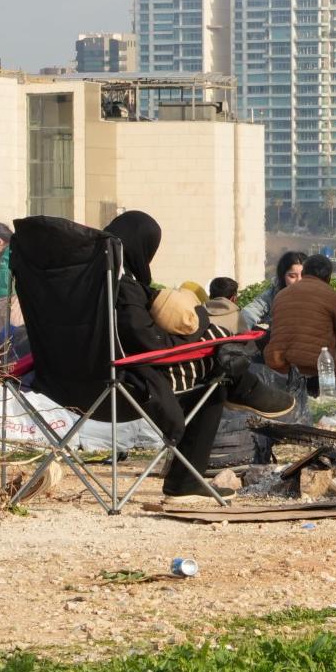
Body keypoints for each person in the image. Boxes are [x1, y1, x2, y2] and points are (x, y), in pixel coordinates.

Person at [103, 211, 235, 500]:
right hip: (123, 387)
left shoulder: (88, 284)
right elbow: (149, 342)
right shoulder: (123, 288)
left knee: (224, 368)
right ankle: (184, 483)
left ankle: (246, 386)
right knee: (216, 384)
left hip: (70, 385)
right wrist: (195, 328)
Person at [265, 254, 336, 385]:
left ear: (303, 273)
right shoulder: (330, 295)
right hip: (319, 369)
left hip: (280, 368)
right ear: (328, 278)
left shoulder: (280, 295)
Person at [0, 222, 29, 361]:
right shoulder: (4, 258)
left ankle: (14, 365)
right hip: (0, 301)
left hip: (11, 301)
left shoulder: (14, 252)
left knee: (14, 335)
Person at [240, 251, 308, 329]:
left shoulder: (317, 296)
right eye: (292, 276)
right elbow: (251, 312)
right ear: (282, 277)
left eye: (304, 275)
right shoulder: (272, 295)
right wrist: (241, 327)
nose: (299, 280)